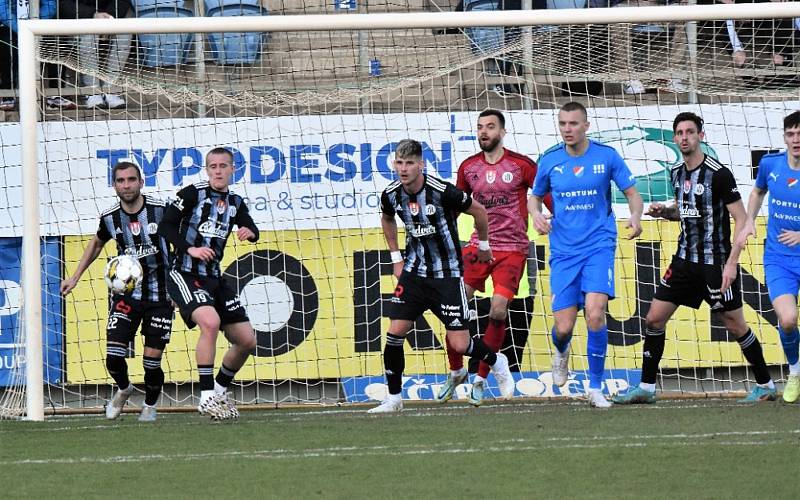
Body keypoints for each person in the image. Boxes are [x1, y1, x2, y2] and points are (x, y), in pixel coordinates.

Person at [613, 111, 777, 405]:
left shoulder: (719, 173)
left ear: (700, 136)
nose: (684, 137)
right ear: (675, 138)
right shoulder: (677, 173)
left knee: (734, 324)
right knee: (654, 318)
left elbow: (741, 220)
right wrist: (664, 212)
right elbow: (685, 211)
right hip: (684, 261)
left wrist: (731, 264)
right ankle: (647, 388)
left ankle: (765, 384)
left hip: (716, 264)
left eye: (690, 132)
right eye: (679, 133)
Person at [368, 138, 515, 413]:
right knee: (394, 335)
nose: (403, 168)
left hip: (447, 276)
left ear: (421, 165)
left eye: (409, 163)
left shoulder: (442, 191)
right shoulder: (391, 193)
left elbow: (479, 210)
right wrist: (396, 257)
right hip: (413, 274)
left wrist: (484, 245)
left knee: (460, 343)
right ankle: (394, 399)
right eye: (399, 163)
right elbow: (387, 218)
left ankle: (496, 361)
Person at [529, 101, 643, 408]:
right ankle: (561, 350)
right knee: (563, 328)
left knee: (595, 313)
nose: (568, 129)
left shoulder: (606, 156)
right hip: (564, 251)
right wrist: (537, 215)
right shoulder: (550, 161)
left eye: (573, 123)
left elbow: (632, 193)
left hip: (599, 246)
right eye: (563, 123)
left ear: (586, 126)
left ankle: (595, 387)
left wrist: (635, 217)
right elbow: (534, 197)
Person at [435, 109, 552, 406]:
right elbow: (454, 207)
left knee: (498, 311)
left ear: (502, 132)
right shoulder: (468, 168)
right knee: (453, 310)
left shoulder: (522, 165)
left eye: (490, 127)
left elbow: (546, 198)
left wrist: (551, 217)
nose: (484, 132)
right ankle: (456, 372)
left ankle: (481, 378)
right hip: (478, 248)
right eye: (479, 128)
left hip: (512, 249)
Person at [60, 161, 173, 422]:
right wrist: (75, 277)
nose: (126, 185)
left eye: (131, 180)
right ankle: (124, 389)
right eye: (120, 181)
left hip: (160, 296)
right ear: (114, 185)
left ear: (141, 182)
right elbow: (97, 243)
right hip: (126, 296)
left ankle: (150, 406)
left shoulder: (160, 211)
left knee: (151, 362)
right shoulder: (110, 217)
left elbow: (179, 245)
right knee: (113, 356)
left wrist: (179, 288)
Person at [157, 147, 259, 420]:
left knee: (247, 340)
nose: (218, 170)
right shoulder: (192, 194)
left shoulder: (235, 201)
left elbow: (251, 227)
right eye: (213, 166)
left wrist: (250, 232)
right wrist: (189, 249)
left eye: (223, 166)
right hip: (184, 274)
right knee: (210, 323)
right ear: (207, 169)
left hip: (214, 278)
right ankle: (205, 397)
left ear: (232, 169)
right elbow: (165, 226)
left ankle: (218, 389)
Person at [736, 111, 800, 403]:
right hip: (779, 259)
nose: (796, 140)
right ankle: (796, 371)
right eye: (791, 134)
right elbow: (757, 191)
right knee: (787, 320)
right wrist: (749, 220)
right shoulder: (770, 164)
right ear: (784, 136)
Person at [60, 0, 132, 109]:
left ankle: (110, 89)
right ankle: (91, 91)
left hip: (109, 17)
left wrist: (109, 17)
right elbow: (63, 5)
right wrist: (93, 15)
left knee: (127, 23)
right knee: (89, 31)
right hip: (78, 20)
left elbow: (123, 2)